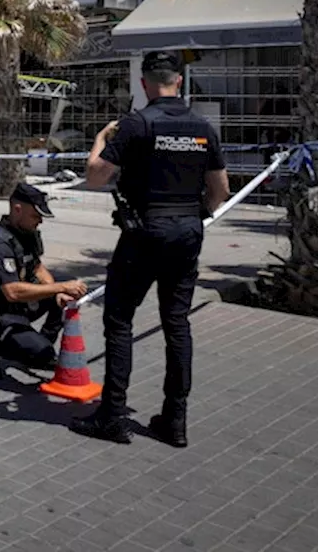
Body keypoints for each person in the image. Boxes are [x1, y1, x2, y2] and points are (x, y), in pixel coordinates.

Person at [71, 51, 230, 448]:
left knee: (120, 320)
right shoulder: (203, 127)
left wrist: (100, 140)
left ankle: (112, 416)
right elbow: (221, 191)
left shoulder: (136, 124)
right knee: (177, 323)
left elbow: (95, 177)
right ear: (179, 80)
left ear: (144, 84)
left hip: (144, 232)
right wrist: (193, 218)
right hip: (187, 231)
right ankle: (175, 420)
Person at [0, 183, 88, 378]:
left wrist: (59, 291)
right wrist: (60, 287)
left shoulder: (26, 234)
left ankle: (40, 344)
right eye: (36, 215)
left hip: (19, 309)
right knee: (61, 288)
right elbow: (12, 292)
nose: (40, 221)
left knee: (65, 289)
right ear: (17, 209)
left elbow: (38, 268)